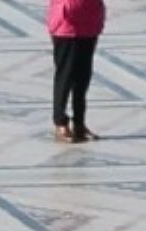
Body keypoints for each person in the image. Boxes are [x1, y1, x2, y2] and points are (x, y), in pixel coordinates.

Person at [49, 0, 106, 143]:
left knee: (83, 76)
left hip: (89, 19)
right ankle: (60, 122)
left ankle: (79, 124)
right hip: (67, 21)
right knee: (65, 75)